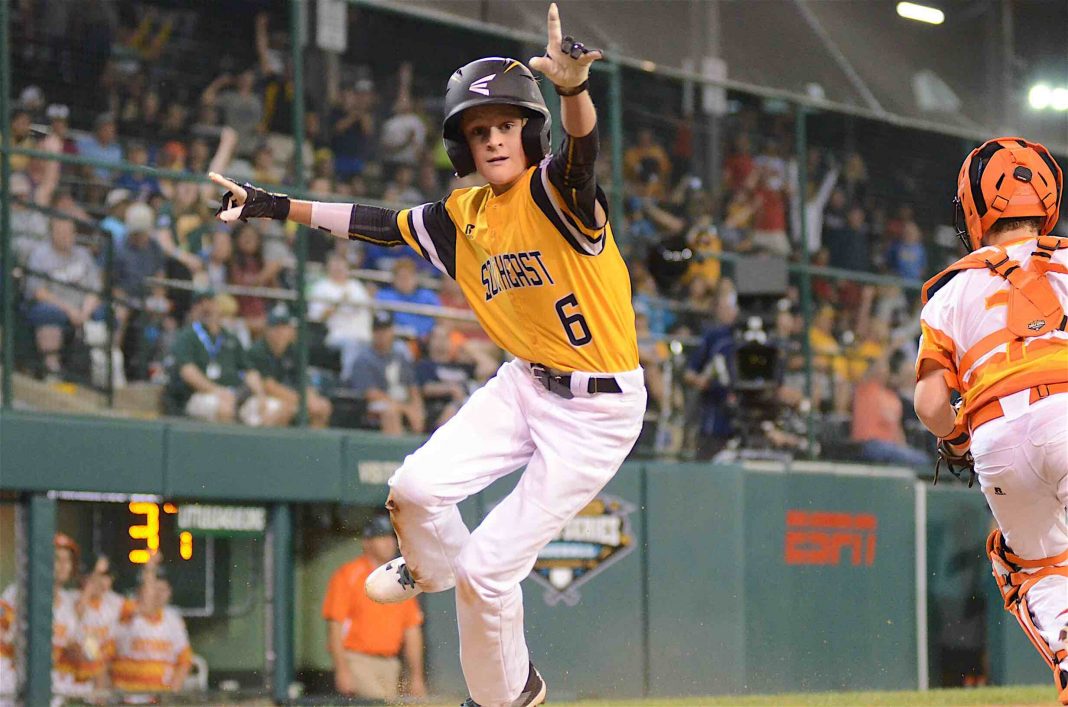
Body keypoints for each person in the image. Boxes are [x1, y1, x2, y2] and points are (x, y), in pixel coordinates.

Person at [210, 7, 646, 704]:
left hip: (597, 411)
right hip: (525, 384)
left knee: (490, 570)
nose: (494, 138)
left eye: (506, 124)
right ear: (463, 147)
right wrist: (272, 205)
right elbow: (376, 224)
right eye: (480, 130)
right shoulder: (463, 216)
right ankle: (426, 566)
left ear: (528, 132)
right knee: (412, 490)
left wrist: (571, 92)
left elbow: (583, 155)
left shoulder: (555, 190)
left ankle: (508, 697)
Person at [912, 137, 1067, 704]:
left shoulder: (948, 291)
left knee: (1037, 565)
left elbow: (930, 407)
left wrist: (956, 437)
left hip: (995, 438)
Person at [322, 515, 426, 701]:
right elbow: (335, 627)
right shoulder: (348, 574)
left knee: (389, 703)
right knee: (378, 702)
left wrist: (416, 676)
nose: (389, 542)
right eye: (381, 536)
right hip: (357, 660)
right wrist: (342, 669)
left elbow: (412, 630)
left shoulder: (401, 576)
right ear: (367, 542)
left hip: (391, 663)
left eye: (391, 537)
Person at [161, 291, 285, 426]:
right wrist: (216, 391)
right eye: (201, 304)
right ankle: (226, 446)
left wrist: (260, 395)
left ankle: (254, 446)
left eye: (211, 303)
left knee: (275, 409)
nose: (207, 308)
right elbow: (188, 372)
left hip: (236, 394)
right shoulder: (188, 336)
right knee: (224, 408)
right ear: (194, 309)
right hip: (200, 395)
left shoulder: (229, 337)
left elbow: (249, 370)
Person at [23, 216, 104, 379]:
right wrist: (70, 310)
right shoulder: (40, 255)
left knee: (103, 313)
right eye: (61, 232)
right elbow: (39, 292)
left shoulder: (83, 254)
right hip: (56, 306)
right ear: (52, 234)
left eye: (70, 232)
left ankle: (102, 373)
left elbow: (95, 289)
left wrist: (84, 312)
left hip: (82, 309)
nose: (67, 236)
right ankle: (52, 371)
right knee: (48, 315)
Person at [248, 306, 331, 428]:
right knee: (285, 409)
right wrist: (303, 401)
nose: (281, 332)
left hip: (289, 397)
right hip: (259, 398)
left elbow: (304, 381)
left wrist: (312, 399)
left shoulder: (293, 350)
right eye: (276, 327)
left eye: (284, 327)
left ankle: (313, 446)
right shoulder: (258, 350)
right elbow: (268, 386)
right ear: (267, 330)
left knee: (322, 406)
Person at [110, 574, 192, 694]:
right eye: (154, 589)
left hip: (160, 696)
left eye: (163, 590)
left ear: (170, 593)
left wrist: (173, 691)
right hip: (126, 695)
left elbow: (184, 660)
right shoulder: (127, 612)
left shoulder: (173, 620)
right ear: (141, 591)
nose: (158, 594)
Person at [347, 311, 425, 436]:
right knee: (391, 412)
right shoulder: (364, 359)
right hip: (374, 407)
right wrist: (405, 409)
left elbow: (413, 387)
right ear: (372, 333)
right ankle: (396, 453)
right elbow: (371, 394)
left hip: (402, 402)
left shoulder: (400, 356)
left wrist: (417, 409)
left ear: (392, 331)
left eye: (385, 330)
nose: (382, 335)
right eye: (378, 331)